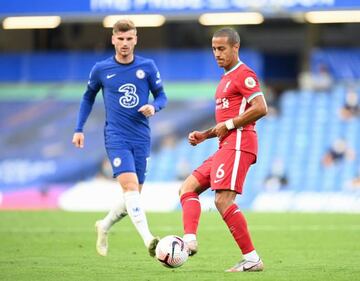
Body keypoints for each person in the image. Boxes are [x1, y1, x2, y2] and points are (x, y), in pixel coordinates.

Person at [72, 19, 167, 257]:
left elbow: (162, 96)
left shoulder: (148, 66)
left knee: (133, 196)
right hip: (116, 136)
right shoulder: (101, 69)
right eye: (120, 39)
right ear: (113, 39)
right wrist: (79, 128)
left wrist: (154, 107)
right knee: (131, 188)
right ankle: (149, 241)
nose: (125, 43)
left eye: (129, 39)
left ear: (135, 39)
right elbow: (87, 97)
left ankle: (104, 225)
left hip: (141, 137)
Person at [179, 28, 268, 272]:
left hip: (240, 142)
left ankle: (252, 259)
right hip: (225, 144)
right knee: (187, 188)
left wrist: (228, 125)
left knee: (222, 199)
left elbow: (261, 108)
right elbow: (224, 124)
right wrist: (204, 135)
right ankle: (189, 241)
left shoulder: (243, 74)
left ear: (235, 48)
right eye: (214, 50)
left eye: (222, 49)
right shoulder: (225, 79)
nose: (217, 54)